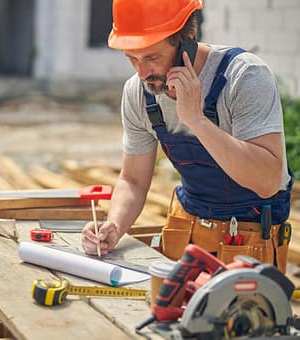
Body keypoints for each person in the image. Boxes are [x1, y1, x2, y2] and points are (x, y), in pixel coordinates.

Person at [81, 0, 293, 272]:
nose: (142, 72)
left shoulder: (244, 77)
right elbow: (133, 180)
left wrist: (196, 119)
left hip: (249, 241)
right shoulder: (138, 93)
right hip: (186, 233)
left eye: (152, 57)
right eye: (132, 58)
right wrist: (115, 226)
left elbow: (266, 182)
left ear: (187, 39)